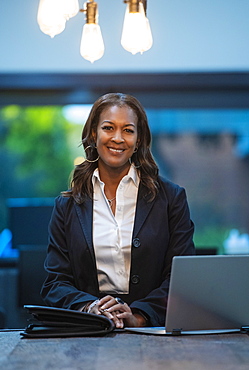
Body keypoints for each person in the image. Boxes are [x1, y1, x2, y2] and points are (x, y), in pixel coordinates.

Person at [41, 92, 195, 328]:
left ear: (139, 139)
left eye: (128, 130)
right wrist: (89, 308)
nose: (118, 138)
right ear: (94, 134)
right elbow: (55, 283)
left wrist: (139, 316)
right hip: (88, 333)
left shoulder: (171, 198)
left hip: (151, 332)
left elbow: (181, 279)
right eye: (108, 128)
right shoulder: (67, 206)